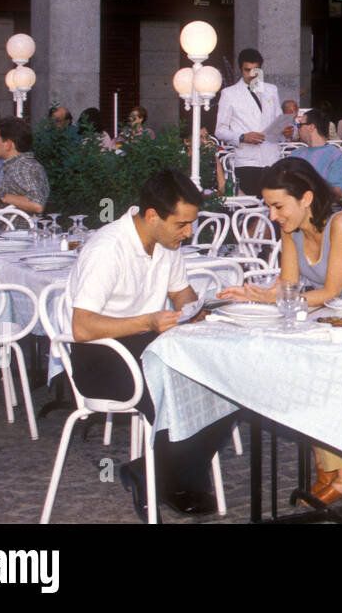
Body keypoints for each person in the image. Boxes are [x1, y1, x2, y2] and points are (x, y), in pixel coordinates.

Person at [68, 169, 236, 518]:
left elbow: (182, 296)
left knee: (231, 383)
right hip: (100, 357)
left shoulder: (166, 243)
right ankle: (175, 478)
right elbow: (82, 327)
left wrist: (205, 308)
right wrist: (147, 321)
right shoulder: (107, 248)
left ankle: (154, 473)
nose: (188, 233)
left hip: (148, 347)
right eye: (182, 224)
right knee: (184, 383)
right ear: (152, 216)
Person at [219, 158, 342, 503]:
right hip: (329, 320)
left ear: (306, 198)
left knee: (319, 373)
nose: (273, 215)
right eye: (270, 207)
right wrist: (257, 295)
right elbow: (289, 287)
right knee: (301, 371)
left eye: (278, 206)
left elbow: (332, 291)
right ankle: (335, 469)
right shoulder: (289, 230)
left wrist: (281, 301)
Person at [215, 48, 283, 198]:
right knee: (251, 209)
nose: (252, 74)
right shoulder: (229, 94)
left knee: (275, 204)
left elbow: (279, 122)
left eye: (256, 70)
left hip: (272, 158)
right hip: (247, 161)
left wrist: (286, 131)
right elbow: (220, 130)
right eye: (247, 70)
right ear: (241, 70)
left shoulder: (271, 90)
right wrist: (242, 137)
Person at [0, 117, 50, 214]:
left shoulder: (23, 167)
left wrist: (2, 197)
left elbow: (37, 204)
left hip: (17, 229)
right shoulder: (18, 165)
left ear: (8, 145)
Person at [290, 109, 342, 202]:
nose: (298, 129)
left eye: (300, 125)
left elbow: (339, 192)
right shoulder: (295, 153)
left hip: (322, 208)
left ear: (311, 127)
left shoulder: (335, 155)